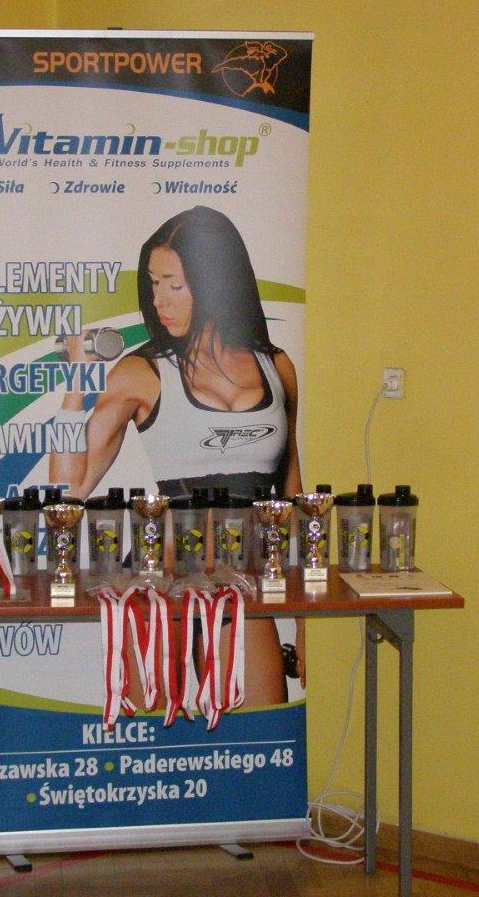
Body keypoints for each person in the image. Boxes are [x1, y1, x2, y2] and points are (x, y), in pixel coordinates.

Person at [49, 205, 306, 704]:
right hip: (157, 585)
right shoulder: (141, 372)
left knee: (259, 739)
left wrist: (305, 622)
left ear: (215, 282)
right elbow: (68, 487)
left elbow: (293, 495)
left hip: (244, 585)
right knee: (160, 744)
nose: (159, 300)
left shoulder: (277, 367)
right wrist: (75, 388)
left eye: (174, 284)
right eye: (153, 284)